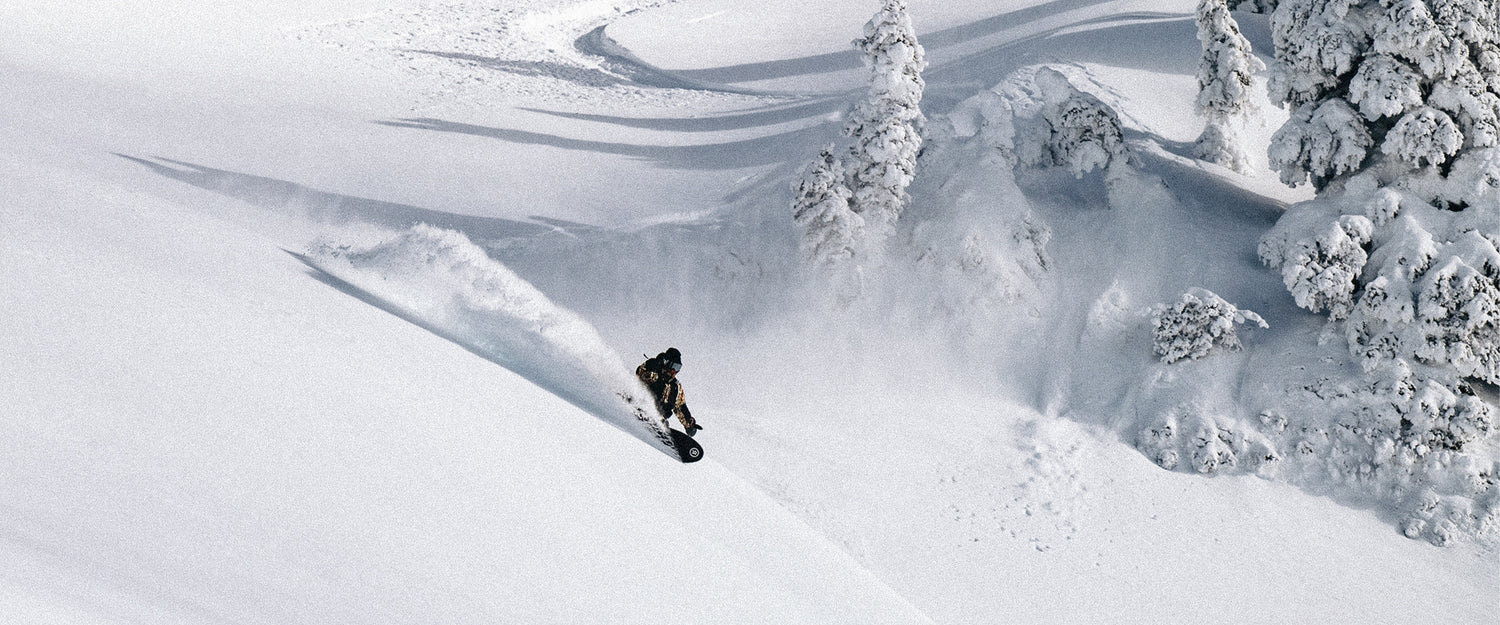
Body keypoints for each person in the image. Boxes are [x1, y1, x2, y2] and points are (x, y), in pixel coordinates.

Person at [636, 347, 701, 436]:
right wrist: (654, 364)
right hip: (639, 407)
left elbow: (680, 406)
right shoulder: (654, 370)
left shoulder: (675, 386)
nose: (675, 371)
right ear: (666, 362)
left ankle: (661, 432)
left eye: (678, 367)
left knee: (667, 410)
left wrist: (689, 424)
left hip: (658, 419)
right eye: (673, 366)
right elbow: (642, 374)